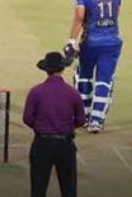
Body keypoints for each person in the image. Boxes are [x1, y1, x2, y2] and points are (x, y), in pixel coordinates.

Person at [64, 0, 123, 133]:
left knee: (84, 76)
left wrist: (72, 40)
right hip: (112, 41)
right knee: (105, 80)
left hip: (90, 41)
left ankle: (84, 116)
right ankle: (96, 120)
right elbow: (116, 14)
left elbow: (79, 18)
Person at [23, 51, 87, 197]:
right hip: (65, 144)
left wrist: (40, 126)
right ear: (62, 68)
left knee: (38, 189)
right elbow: (81, 120)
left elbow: (27, 118)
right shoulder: (72, 93)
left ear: (46, 70)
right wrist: (67, 127)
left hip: (42, 144)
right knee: (69, 189)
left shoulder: (36, 92)